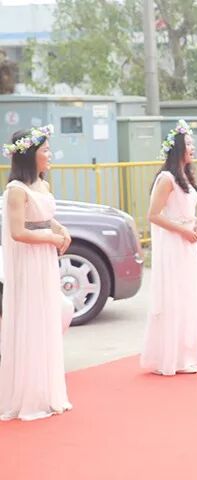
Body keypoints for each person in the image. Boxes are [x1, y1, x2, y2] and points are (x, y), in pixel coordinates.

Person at [0, 125, 73, 421]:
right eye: (45, 150)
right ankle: (28, 395)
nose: (50, 155)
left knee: (46, 317)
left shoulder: (42, 184)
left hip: (44, 260)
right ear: (30, 154)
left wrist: (60, 229)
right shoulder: (16, 190)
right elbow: (18, 232)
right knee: (31, 318)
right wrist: (51, 239)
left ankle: (46, 390)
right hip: (29, 262)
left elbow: (44, 217)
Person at [141, 119, 197, 376]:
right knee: (175, 296)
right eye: (188, 143)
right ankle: (170, 357)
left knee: (188, 295)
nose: (193, 147)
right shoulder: (167, 178)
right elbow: (153, 215)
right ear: (177, 148)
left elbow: (187, 211)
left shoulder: (185, 177)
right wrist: (182, 230)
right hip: (174, 244)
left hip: (188, 242)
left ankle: (185, 353)